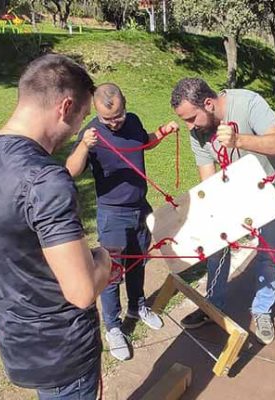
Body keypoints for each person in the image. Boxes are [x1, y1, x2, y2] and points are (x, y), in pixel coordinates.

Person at [0, 54, 112, 399]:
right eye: (82, 118)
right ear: (66, 106)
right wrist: (102, 259)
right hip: (63, 354)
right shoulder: (46, 180)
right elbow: (82, 291)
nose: (78, 129)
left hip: (15, 339)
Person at [170, 78, 275, 345]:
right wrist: (220, 219)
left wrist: (238, 140)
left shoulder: (248, 103)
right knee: (218, 247)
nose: (189, 127)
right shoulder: (198, 132)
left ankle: (261, 310)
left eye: (192, 118)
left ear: (209, 103)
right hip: (237, 190)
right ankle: (213, 306)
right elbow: (208, 179)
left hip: (273, 188)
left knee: (270, 254)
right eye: (185, 121)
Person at [66, 83, 178, 361]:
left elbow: (143, 141)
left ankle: (138, 306)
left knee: (138, 262)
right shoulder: (91, 133)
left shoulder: (134, 121)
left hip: (140, 208)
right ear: (97, 113)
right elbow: (71, 169)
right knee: (112, 273)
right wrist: (83, 146)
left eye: (119, 116)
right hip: (112, 213)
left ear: (124, 105)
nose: (115, 123)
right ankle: (113, 328)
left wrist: (162, 133)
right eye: (108, 119)